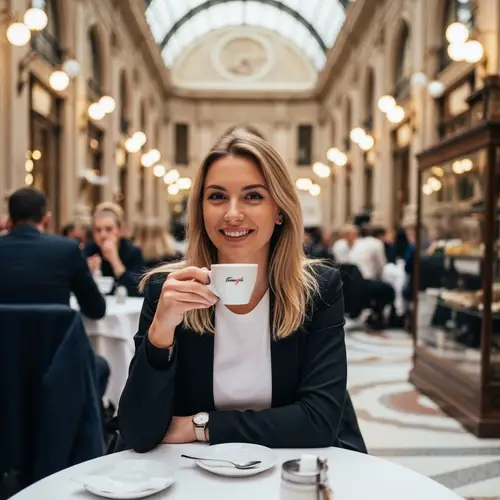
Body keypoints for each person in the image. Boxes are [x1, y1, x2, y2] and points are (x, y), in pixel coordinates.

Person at [118, 130, 366, 453]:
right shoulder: (165, 292)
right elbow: (139, 433)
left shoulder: (318, 292)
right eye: (217, 197)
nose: (233, 213)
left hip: (292, 472)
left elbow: (318, 422)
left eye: (253, 196)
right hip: (193, 475)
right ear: (201, 210)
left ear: (279, 210)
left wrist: (201, 425)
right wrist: (161, 331)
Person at [0, 188, 109, 398]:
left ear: (9, 220)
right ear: (47, 219)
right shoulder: (66, 250)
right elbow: (96, 309)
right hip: (54, 365)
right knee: (100, 366)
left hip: (4, 364)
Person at [84, 202, 145, 297]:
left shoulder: (132, 251)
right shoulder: (89, 251)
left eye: (108, 229)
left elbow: (139, 291)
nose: (103, 235)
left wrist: (115, 262)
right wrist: (87, 272)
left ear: (120, 230)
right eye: (98, 230)